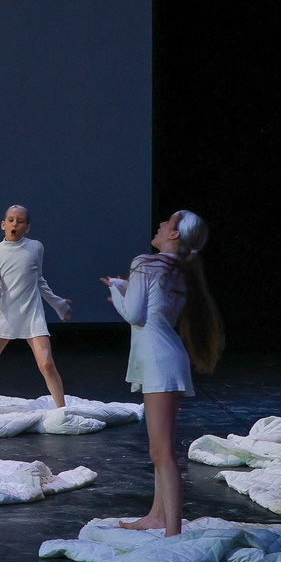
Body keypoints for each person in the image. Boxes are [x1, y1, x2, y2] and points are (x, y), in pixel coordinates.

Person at [101, 210, 224, 537]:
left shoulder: (145, 262)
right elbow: (152, 305)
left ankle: (172, 531)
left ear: (174, 235)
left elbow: (133, 314)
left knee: (162, 453)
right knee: (161, 450)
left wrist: (117, 291)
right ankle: (158, 516)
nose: (159, 224)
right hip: (165, 356)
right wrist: (125, 286)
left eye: (166, 222)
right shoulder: (179, 270)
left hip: (158, 360)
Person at [0, 205, 73, 411]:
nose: (15, 224)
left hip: (31, 313)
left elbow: (39, 281)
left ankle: (63, 410)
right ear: (3, 224)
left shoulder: (36, 247)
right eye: (11, 220)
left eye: (20, 221)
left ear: (27, 227)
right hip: (5, 314)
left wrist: (59, 305)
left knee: (47, 364)